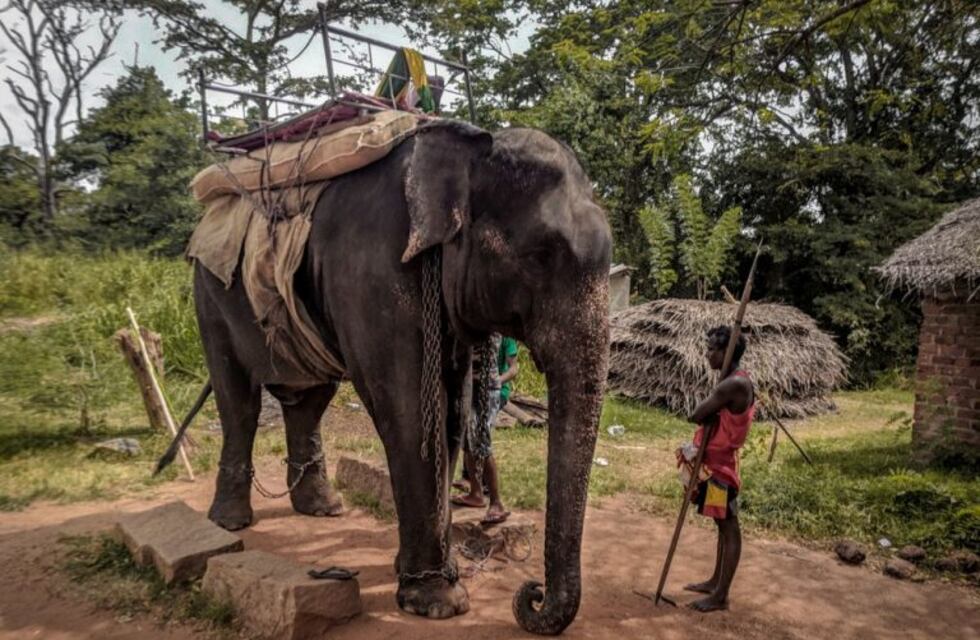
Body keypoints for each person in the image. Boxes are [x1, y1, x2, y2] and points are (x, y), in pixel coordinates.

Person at [676, 325, 754, 612]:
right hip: (715, 463)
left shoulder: (733, 385)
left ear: (727, 352)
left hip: (720, 470)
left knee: (728, 524)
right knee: (721, 523)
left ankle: (721, 595)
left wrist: (709, 410)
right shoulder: (732, 381)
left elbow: (695, 415)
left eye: (712, 350)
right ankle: (715, 581)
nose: (707, 354)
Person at [452, 334, 519, 525]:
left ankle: (497, 503)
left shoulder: (494, 330)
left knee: (482, 443)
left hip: (486, 389)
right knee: (468, 442)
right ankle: (476, 493)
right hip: (469, 386)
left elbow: (513, 367)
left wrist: (497, 380)